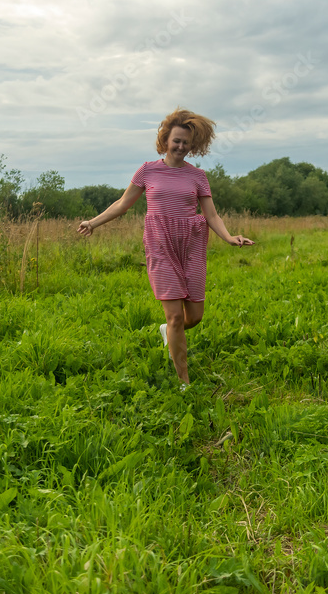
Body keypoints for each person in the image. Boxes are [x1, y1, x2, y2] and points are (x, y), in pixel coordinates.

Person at [77, 108, 254, 388]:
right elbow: (123, 204)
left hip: (192, 243)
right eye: (176, 141)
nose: (181, 147)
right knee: (174, 316)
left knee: (193, 317)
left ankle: (168, 332)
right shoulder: (147, 170)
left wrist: (230, 237)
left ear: (192, 145)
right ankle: (183, 382)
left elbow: (212, 215)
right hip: (160, 243)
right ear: (165, 140)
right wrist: (93, 222)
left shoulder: (198, 176)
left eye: (186, 142)